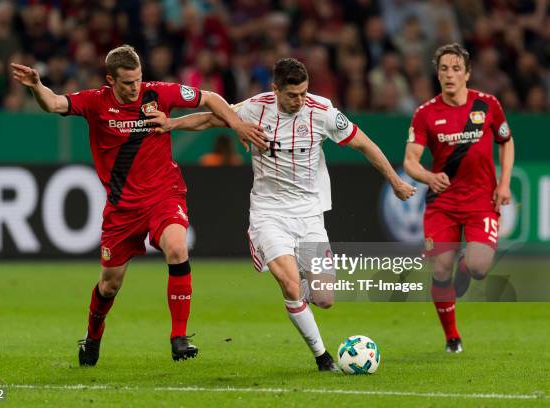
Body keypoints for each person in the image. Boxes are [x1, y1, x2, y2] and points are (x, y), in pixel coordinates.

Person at [11, 45, 266, 366]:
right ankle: (92, 337)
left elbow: (210, 98)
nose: (135, 88)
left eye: (138, 80)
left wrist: (237, 124)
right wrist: (37, 86)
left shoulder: (158, 94)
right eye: (128, 83)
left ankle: (179, 337)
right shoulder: (94, 101)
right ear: (110, 80)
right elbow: (53, 103)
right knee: (109, 284)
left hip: (164, 195)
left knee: (177, 247)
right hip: (122, 209)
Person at [156, 58, 416, 371]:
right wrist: (172, 124)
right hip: (269, 212)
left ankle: (300, 292)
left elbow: (364, 144)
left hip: (309, 213)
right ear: (276, 89)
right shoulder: (255, 108)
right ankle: (323, 358)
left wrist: (395, 180)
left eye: (304, 93)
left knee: (324, 298)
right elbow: (211, 119)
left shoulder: (322, 112)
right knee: (291, 286)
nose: (299, 100)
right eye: (292, 95)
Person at [403, 43, 514, 353]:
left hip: (481, 201)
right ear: (437, 75)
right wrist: (427, 176)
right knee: (440, 270)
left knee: (479, 267)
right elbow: (410, 160)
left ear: (467, 74)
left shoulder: (487, 105)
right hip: (443, 204)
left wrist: (503, 184)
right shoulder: (425, 114)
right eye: (443, 69)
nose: (449, 74)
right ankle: (452, 336)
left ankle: (466, 266)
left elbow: (506, 141)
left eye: (455, 69)